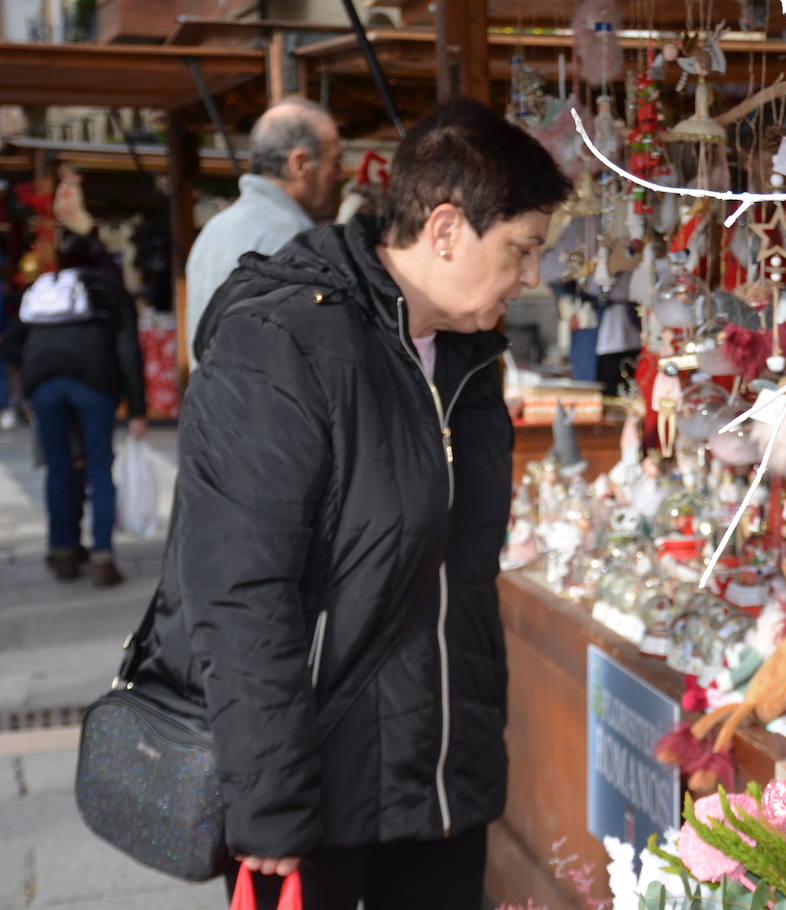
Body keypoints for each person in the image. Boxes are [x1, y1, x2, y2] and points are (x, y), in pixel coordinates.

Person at [138, 98, 570, 909]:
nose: (529, 276)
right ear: (445, 230)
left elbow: (452, 575)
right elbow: (237, 588)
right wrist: (268, 803)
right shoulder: (285, 341)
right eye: (521, 249)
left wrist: (469, 757)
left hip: (438, 782)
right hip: (312, 795)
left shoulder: (469, 359)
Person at [2, 232, 146, 584]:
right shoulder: (112, 292)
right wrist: (137, 409)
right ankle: (102, 557)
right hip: (94, 382)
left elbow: (9, 343)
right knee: (99, 467)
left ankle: (63, 552)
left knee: (59, 468)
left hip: (45, 383)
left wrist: (34, 368)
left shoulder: (45, 287)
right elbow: (128, 352)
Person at [184, 97, 344, 370]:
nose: (341, 174)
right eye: (335, 161)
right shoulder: (290, 235)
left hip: (216, 404)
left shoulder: (217, 225)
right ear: (300, 164)